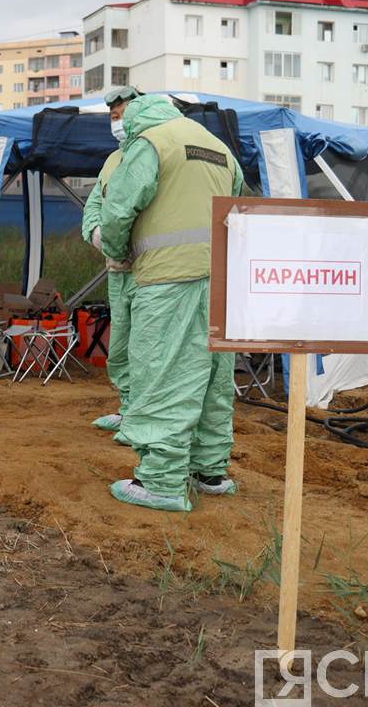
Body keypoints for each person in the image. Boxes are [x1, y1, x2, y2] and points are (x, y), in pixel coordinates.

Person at [99, 95, 243, 512]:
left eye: (121, 119)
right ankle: (210, 471)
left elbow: (118, 210)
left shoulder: (151, 143)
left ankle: (160, 481)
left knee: (163, 375)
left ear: (136, 119)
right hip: (219, 282)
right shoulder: (219, 148)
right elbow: (236, 204)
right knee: (213, 380)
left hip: (167, 280)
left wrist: (116, 249)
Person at [80, 85, 140, 434]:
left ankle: (142, 415)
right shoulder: (112, 161)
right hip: (117, 271)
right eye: (113, 118)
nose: (118, 123)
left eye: (123, 116)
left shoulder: (152, 153)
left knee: (146, 348)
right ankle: (128, 407)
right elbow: (95, 207)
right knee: (119, 347)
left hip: (148, 272)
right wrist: (98, 235)